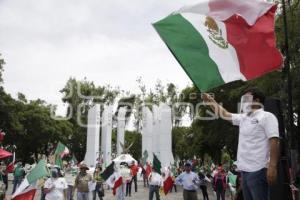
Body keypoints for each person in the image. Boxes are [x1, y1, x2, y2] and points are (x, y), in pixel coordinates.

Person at [202, 88, 279, 200]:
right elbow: (224, 114)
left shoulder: (267, 116)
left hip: (259, 170)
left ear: (257, 100)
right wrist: (210, 101)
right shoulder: (243, 117)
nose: (244, 101)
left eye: (247, 98)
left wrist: (272, 167)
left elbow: (274, 141)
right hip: (244, 172)